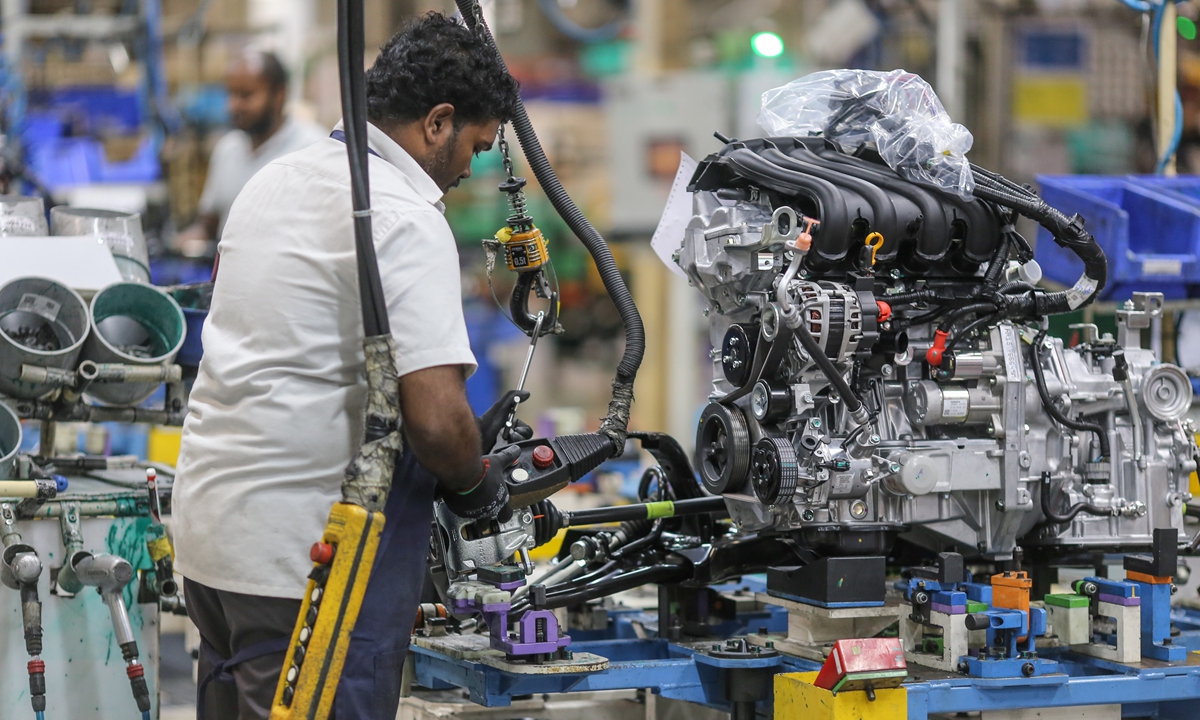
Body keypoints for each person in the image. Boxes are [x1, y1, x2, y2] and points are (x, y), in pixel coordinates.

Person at [172, 14, 524, 719]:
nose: (470, 168)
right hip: (304, 566)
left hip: (213, 545)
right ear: (437, 122)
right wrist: (476, 485)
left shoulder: (274, 182)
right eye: (476, 148)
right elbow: (434, 419)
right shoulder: (399, 215)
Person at [175, 49, 326, 256]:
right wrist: (188, 239)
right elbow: (209, 222)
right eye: (231, 94)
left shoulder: (313, 149)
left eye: (245, 95)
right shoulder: (227, 149)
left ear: (279, 96)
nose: (233, 105)